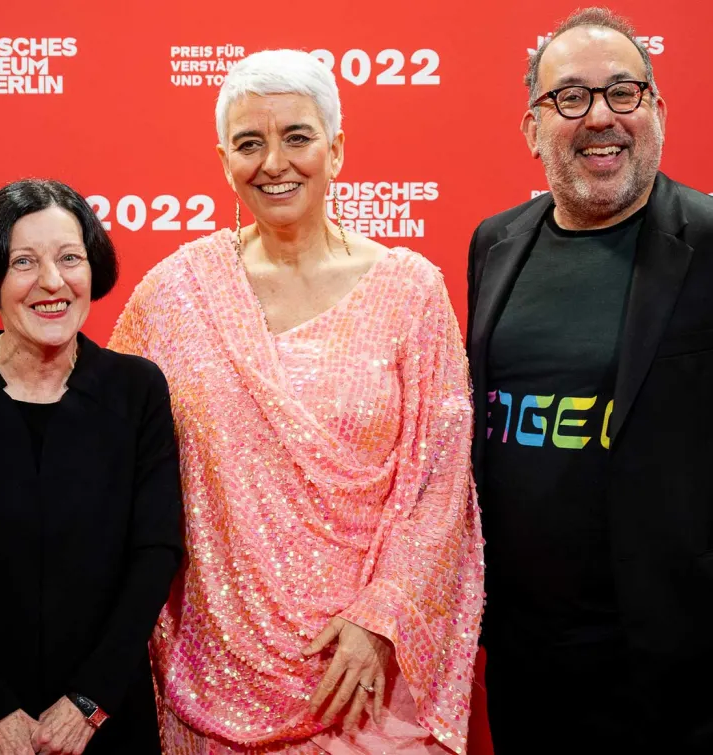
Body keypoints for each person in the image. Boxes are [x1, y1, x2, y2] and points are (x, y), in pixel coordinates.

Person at [466, 8, 713, 754]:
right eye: (570, 97)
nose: (600, 116)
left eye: (623, 92)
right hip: (523, 652)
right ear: (532, 128)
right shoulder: (496, 242)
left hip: (674, 652)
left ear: (658, 110)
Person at [109, 49, 484, 754]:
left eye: (297, 137)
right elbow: (107, 451)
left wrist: (381, 620)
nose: (274, 161)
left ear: (336, 149)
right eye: (250, 143)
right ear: (225, 161)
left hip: (371, 681)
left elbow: (439, 480)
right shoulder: (174, 295)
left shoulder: (411, 291)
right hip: (216, 682)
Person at [0, 179, 182, 755]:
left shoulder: (136, 389)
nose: (52, 282)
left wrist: (88, 703)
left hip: (102, 715)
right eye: (24, 262)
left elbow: (155, 553)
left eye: (69, 258)